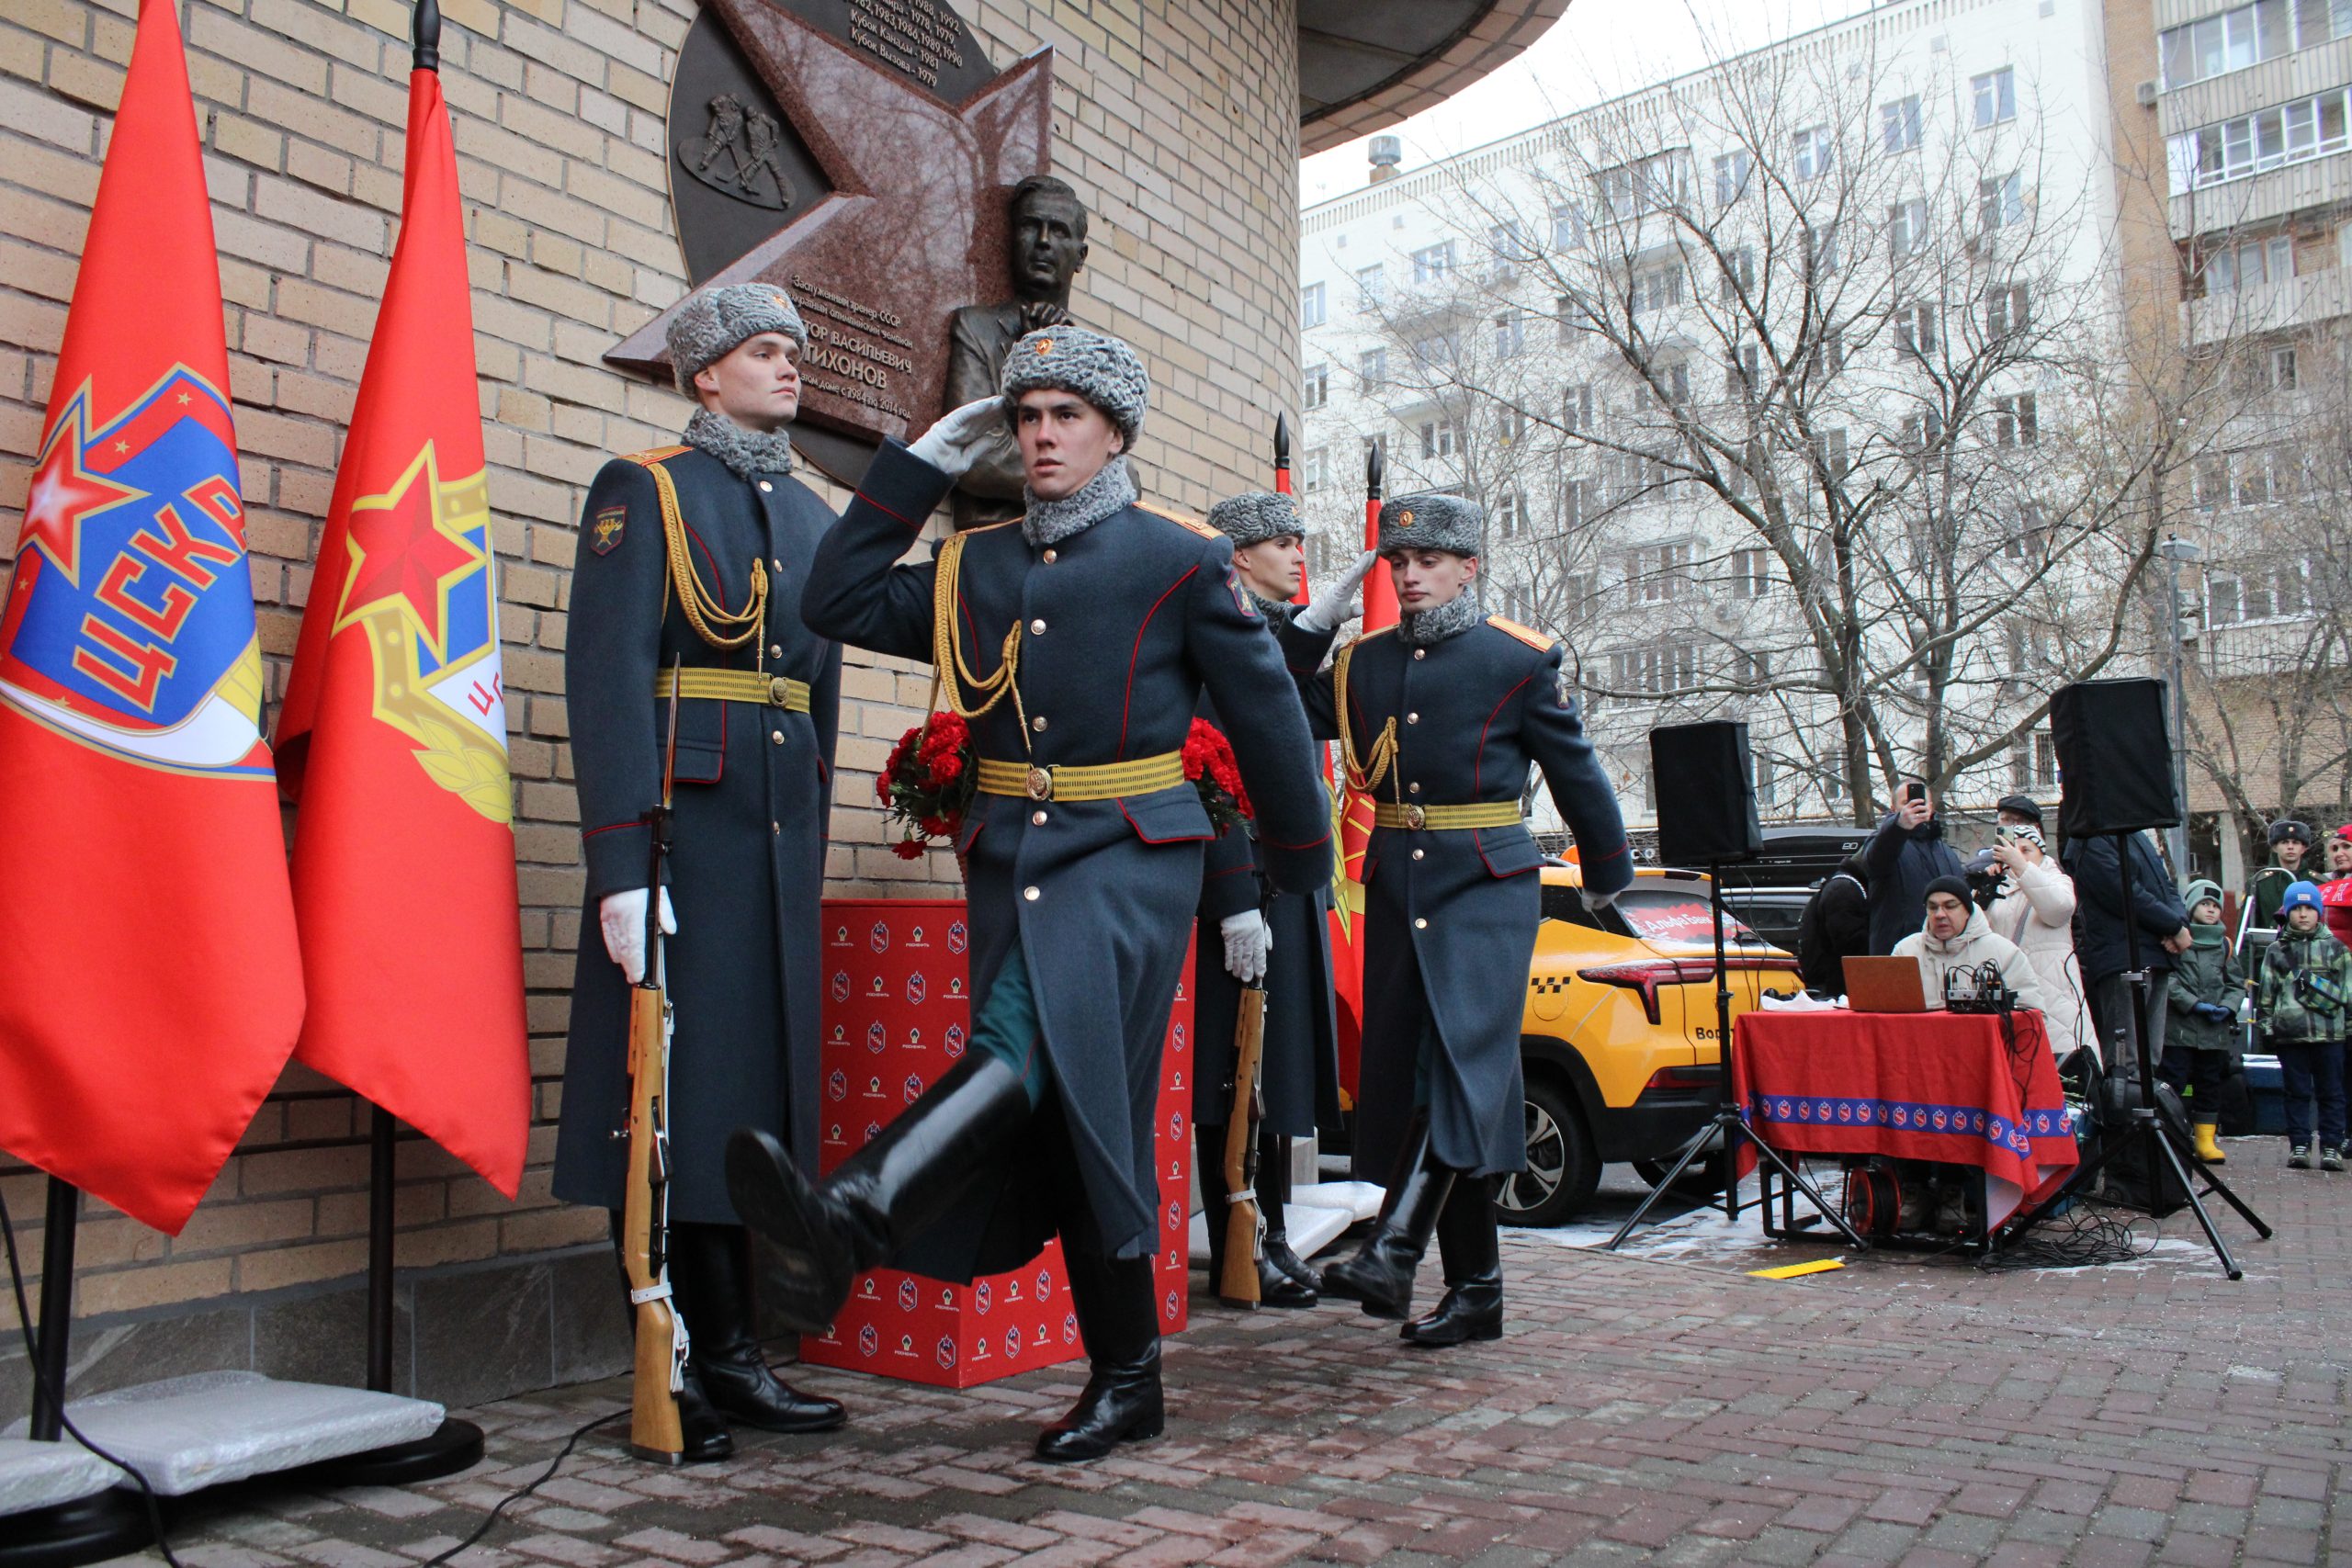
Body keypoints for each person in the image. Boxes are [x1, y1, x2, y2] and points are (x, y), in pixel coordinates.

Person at [725, 327, 1334, 1462]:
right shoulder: (978, 564)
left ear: (1114, 433)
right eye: (1030, 415)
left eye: (1067, 415)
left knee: (1025, 1038)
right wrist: (918, 470)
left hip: (1131, 859)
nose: (1043, 435)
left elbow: (1268, 719)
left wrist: (1297, 875)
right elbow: (834, 602)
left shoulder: (1176, 557)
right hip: (1015, 863)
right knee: (1071, 1111)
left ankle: (854, 1211)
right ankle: (1129, 1381)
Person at [550, 284, 847, 1459]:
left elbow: (816, 699)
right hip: (687, 836)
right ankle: (685, 1355)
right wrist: (622, 864)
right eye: (765, 352)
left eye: (794, 352)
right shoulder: (647, 490)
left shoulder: (814, 516)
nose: (788, 370)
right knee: (676, 1099)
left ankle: (736, 1353)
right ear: (705, 373)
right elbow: (608, 675)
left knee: (747, 1103)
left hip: (774, 844)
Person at [1278, 491, 1633, 1347]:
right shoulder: (1362, 664)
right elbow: (1278, 703)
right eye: (1399, 564)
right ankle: (1477, 1292)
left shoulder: (1514, 660)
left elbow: (1578, 772)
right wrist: (1307, 632)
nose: (1409, 577)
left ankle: (1395, 1249)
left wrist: (1606, 871)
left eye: (1427, 562)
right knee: (1431, 1083)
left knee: (1458, 1064)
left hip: (1486, 882)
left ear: (1468, 566)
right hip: (1400, 882)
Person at [1190, 491, 1344, 1309]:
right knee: (1231, 1072)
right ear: (1238, 556)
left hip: (1282, 879)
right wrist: (1231, 891)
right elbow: (1206, 763)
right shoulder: (1211, 635)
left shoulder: (1272, 636)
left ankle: (1270, 1232)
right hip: (1234, 881)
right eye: (1280, 543)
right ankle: (1241, 1240)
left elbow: (1296, 699)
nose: (1296, 555)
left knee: (1274, 1072)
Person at [944, 175, 1092, 529]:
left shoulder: (1093, 356)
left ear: (1080, 256)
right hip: (994, 547)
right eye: (1030, 227)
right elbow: (977, 454)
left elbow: (1126, 477)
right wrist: (1084, 480)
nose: (1043, 241)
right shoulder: (976, 328)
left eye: (1057, 231)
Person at [2063, 829, 2192, 1067]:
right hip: (2122, 957)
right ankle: (2126, 1105)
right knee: (2126, 1062)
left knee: (2150, 1059)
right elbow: (2121, 891)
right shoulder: (2090, 837)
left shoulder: (2135, 834)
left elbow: (2166, 886)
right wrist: (2172, 926)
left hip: (2158, 953)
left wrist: (2179, 924)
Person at [2252, 882, 2352, 1170]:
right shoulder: (2276, 950)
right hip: (2291, 1036)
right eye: (2297, 908)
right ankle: (2300, 1144)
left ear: (2319, 912)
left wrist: (2348, 1029)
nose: (2304, 914)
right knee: (2296, 1092)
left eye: (2310, 908)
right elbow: (2267, 994)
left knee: (2332, 1093)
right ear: (2288, 912)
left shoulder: (2337, 949)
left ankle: (2332, 1146)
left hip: (2330, 1035)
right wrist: (2267, 1027)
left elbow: (2348, 993)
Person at [1984, 824, 2091, 1055]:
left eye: (2026, 850)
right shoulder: (2001, 886)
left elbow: (2057, 910)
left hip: (2054, 992)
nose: (2017, 855)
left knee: (2063, 1070)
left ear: (2042, 853)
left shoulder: (2058, 881)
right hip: (2011, 990)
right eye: (2013, 849)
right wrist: (1982, 893)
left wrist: (2021, 867)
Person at [2163, 880, 2245, 1165]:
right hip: (2179, 1030)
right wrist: (2193, 1004)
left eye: (2215, 906)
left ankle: (2205, 1139)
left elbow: (2236, 983)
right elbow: (2168, 980)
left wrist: (2227, 1007)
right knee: (2173, 1080)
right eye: (2205, 904)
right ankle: (2172, 1134)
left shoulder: (2224, 945)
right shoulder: (2176, 940)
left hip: (2213, 1032)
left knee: (2209, 1083)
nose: (2211, 910)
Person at [1893, 878, 2044, 1011]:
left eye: (1950, 906)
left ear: (1967, 910)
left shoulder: (2004, 952)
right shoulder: (1905, 951)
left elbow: (2031, 1014)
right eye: (1933, 907)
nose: (1940, 914)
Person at [1861, 780, 1964, 956]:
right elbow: (1875, 861)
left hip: (1944, 956)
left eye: (1920, 803)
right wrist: (1899, 826)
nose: (1914, 808)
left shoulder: (1946, 852)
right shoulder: (1883, 842)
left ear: (1931, 807)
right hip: (1898, 956)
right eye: (1906, 803)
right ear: (1894, 809)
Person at [1796, 855, 1869, 997]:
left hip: (1836, 985)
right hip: (1835, 988)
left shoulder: (1844, 885)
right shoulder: (1843, 889)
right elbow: (1850, 945)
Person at [2246, 818, 2312, 931]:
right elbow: (2246, 928)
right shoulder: (2258, 883)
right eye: (2285, 842)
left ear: (2304, 848)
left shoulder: (2318, 882)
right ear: (2275, 847)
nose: (2290, 847)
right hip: (2269, 946)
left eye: (2295, 842)